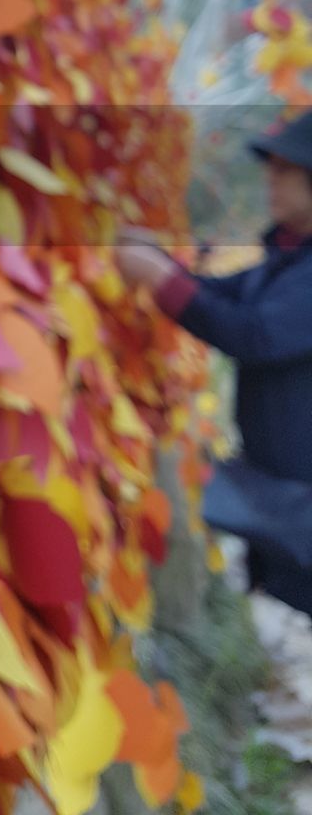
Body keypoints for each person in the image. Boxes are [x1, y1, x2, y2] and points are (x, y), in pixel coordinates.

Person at [114, 109, 312, 614]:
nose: (271, 177)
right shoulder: (290, 258)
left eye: (286, 168)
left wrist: (160, 278)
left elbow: (254, 334)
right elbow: (228, 298)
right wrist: (161, 261)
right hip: (286, 486)